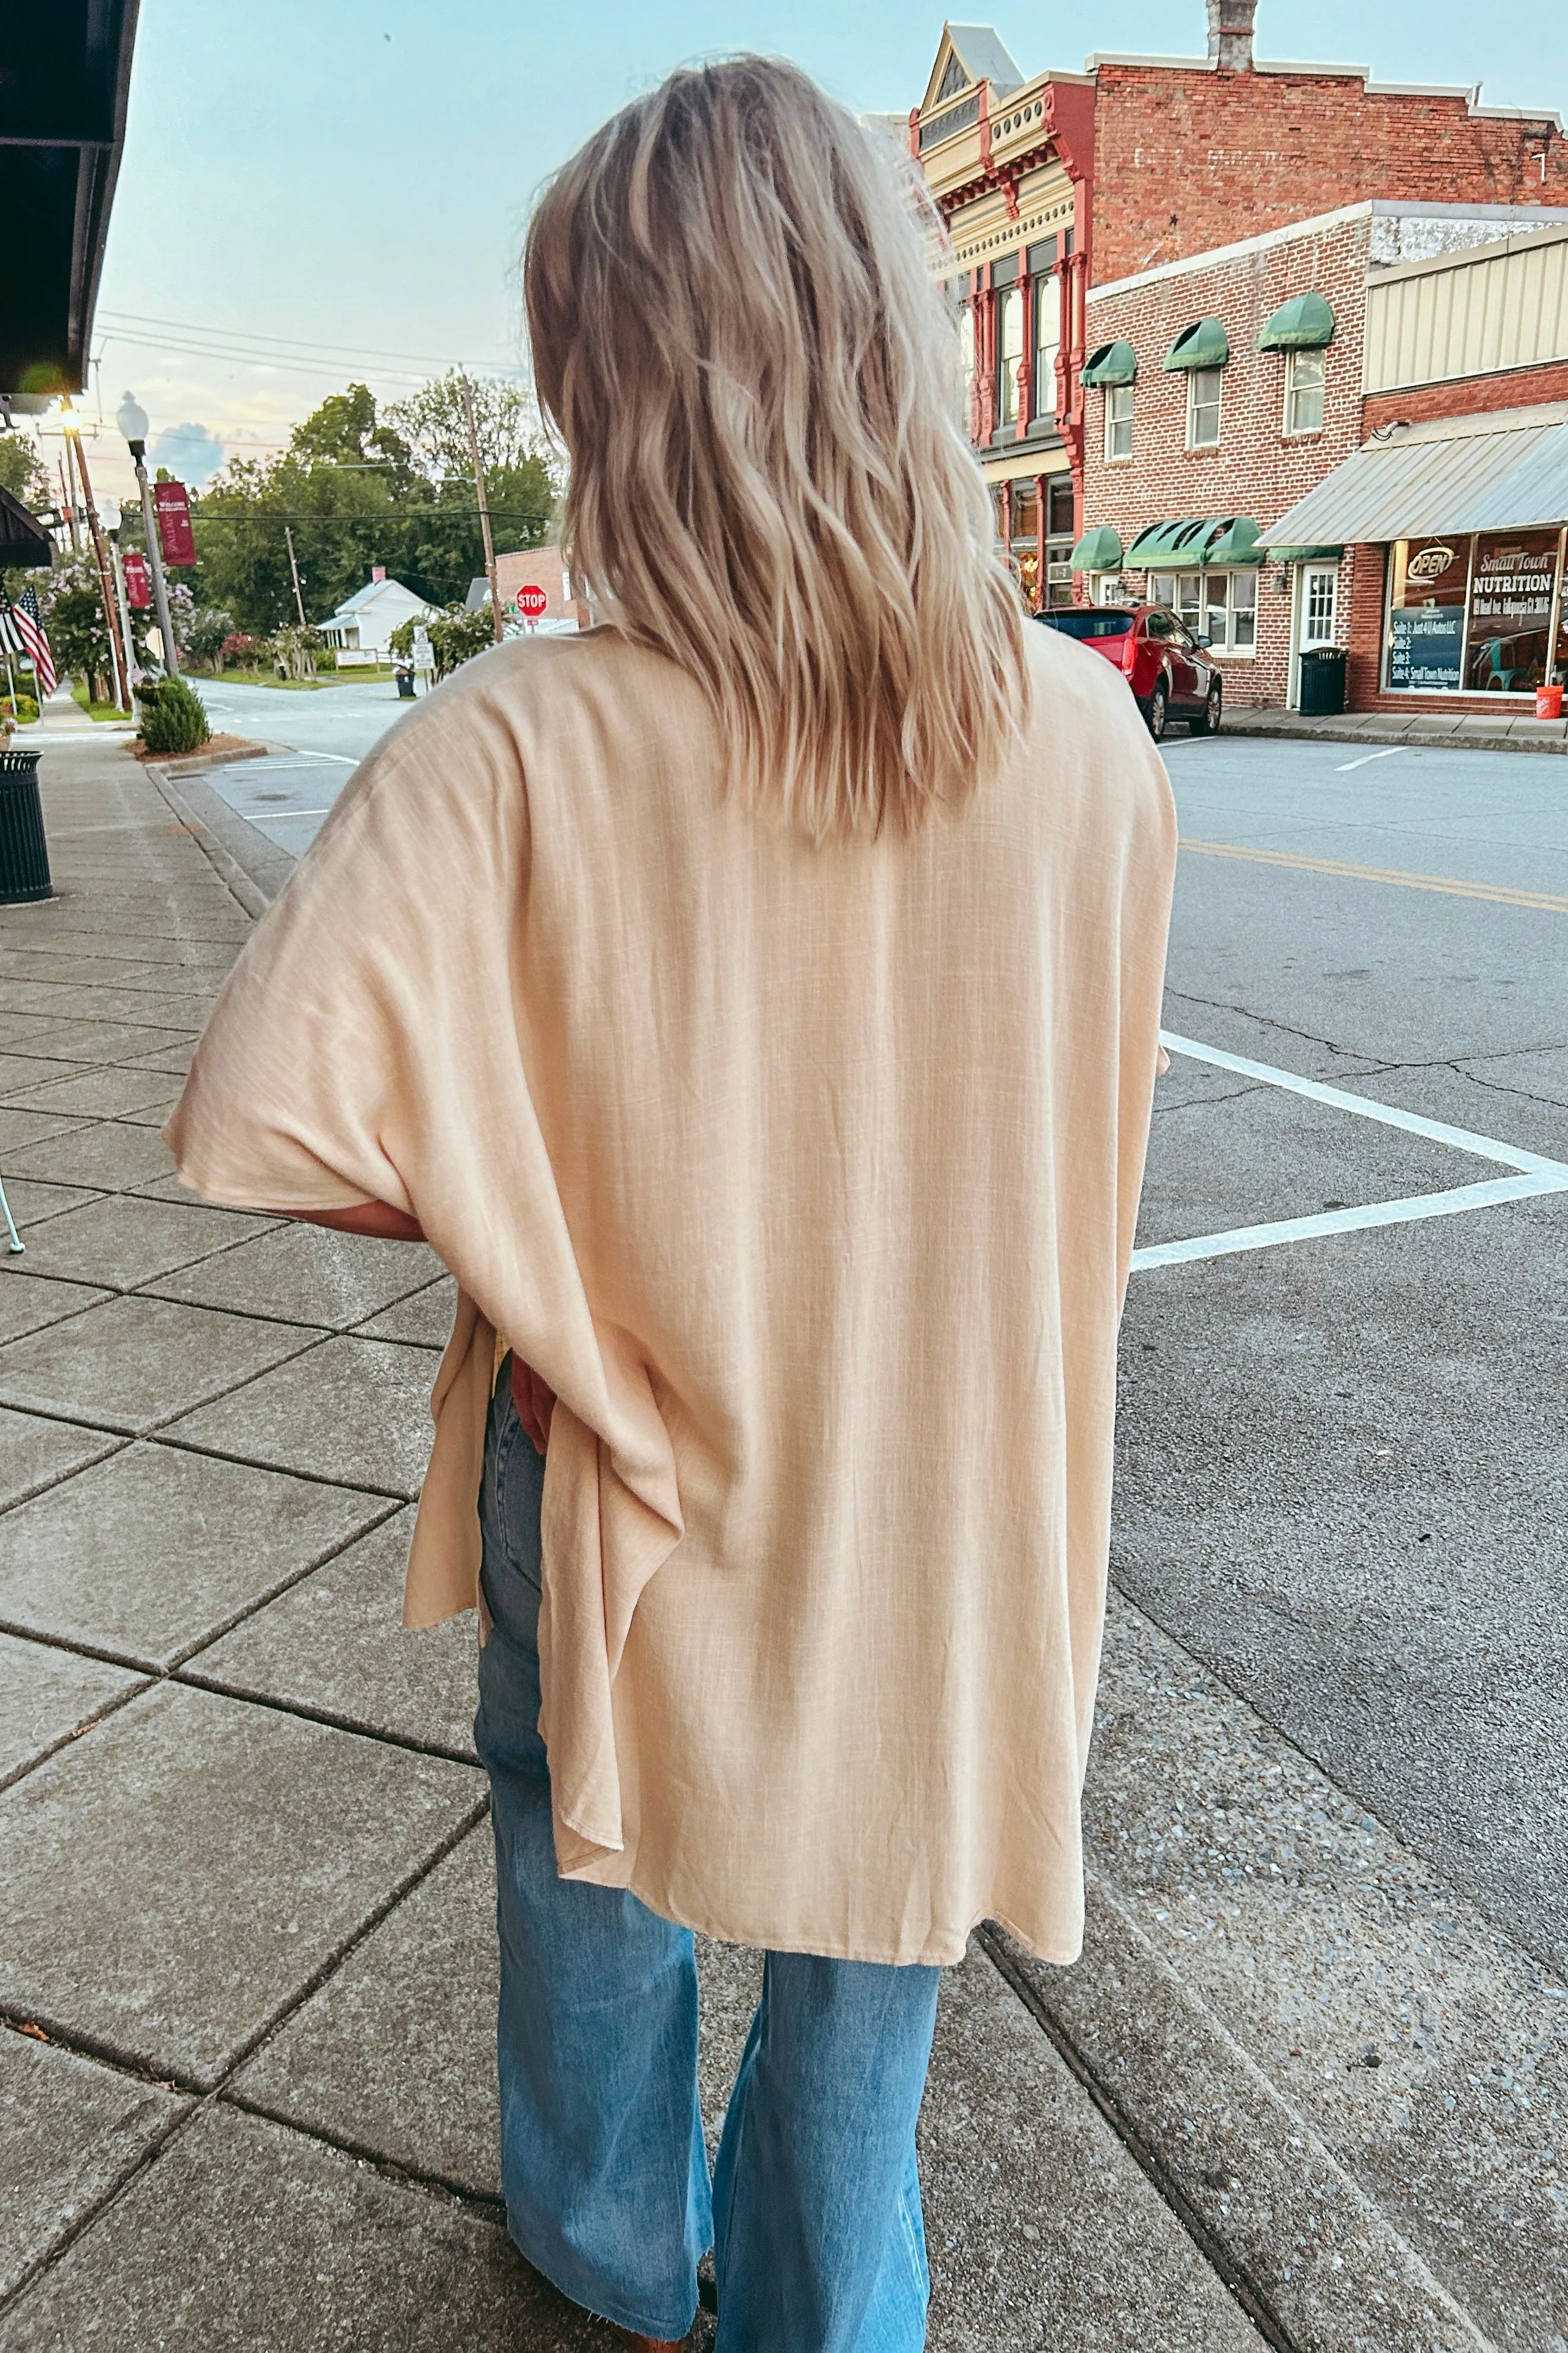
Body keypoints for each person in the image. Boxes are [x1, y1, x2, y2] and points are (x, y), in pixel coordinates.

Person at [165, 57, 1174, 2353]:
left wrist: (542, 1224)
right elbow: (1071, 1138)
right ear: (886, 337)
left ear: (612, 381)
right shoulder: (1090, 737)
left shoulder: (516, 737)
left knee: (590, 1866)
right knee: (877, 1905)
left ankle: (613, 2265)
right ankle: (832, 2305)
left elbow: (268, 1120)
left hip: (616, 1450)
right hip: (949, 1473)